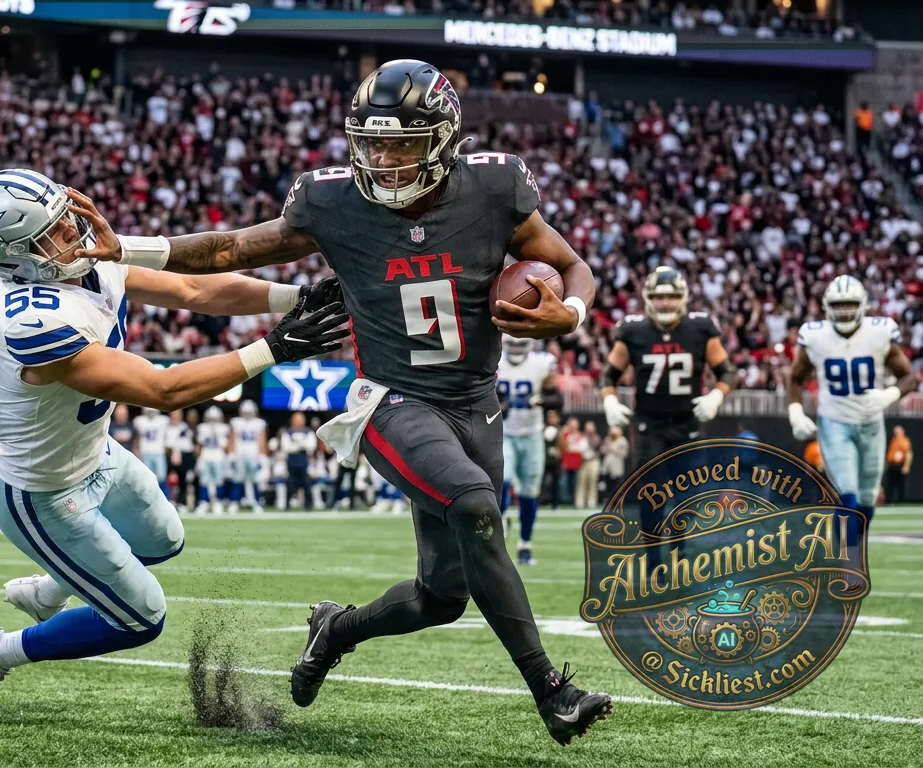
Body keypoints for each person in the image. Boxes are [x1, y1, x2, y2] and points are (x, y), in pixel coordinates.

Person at [74, 59, 610, 741]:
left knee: (442, 597)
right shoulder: (331, 201)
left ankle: (337, 628)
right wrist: (129, 248)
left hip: (477, 404)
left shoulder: (495, 187)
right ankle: (552, 692)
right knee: (476, 507)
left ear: (443, 139)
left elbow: (573, 265)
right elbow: (229, 248)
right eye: (373, 141)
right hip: (391, 399)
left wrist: (573, 311)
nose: (383, 159)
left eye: (403, 143)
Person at [0, 167, 345, 719]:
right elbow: (162, 390)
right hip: (42, 492)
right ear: (15, 257)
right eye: (55, 233)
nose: (74, 236)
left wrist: (296, 297)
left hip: (97, 453)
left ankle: (53, 586)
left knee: (163, 541)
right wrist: (271, 351)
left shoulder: (79, 268)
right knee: (141, 617)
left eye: (67, 220)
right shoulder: (30, 321)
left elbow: (192, 287)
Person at [601, 265, 734, 570]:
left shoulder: (700, 328)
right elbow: (609, 374)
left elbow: (726, 371)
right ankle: (653, 562)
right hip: (649, 424)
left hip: (686, 424)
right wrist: (609, 400)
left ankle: (678, 553)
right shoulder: (634, 330)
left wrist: (717, 395)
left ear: (683, 298)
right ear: (648, 298)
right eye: (660, 297)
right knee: (652, 495)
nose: (665, 303)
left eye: (672, 297)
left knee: (686, 493)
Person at [788, 276, 917, 543]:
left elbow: (909, 377)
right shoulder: (815, 336)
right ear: (826, 307)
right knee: (847, 492)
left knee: (868, 497)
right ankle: (846, 557)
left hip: (871, 421)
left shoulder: (880, 332)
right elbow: (795, 377)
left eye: (850, 304)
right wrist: (795, 412)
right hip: (834, 421)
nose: (845, 310)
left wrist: (889, 395)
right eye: (839, 305)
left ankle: (854, 544)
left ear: (863, 305)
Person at [497, 335, 560, 564]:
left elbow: (557, 398)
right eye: (511, 344)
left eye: (519, 344)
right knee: (501, 480)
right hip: (503, 432)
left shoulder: (542, 363)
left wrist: (540, 401)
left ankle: (525, 545)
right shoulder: (495, 360)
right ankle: (501, 519)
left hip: (532, 432)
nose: (514, 349)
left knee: (529, 491)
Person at [228, 400, 267, 513]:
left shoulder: (259, 423)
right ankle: (234, 502)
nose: (247, 414)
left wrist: (262, 456)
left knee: (255, 480)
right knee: (237, 480)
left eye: (249, 412)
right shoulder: (236, 422)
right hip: (240, 455)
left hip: (253, 455)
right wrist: (231, 455)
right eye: (246, 412)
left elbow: (261, 440)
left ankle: (256, 502)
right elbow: (232, 438)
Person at [195, 406, 230, 514]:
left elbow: (224, 445)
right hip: (206, 455)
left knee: (219, 481)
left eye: (214, 419)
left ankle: (218, 502)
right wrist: (198, 458)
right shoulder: (202, 427)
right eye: (210, 418)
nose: (212, 421)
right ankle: (203, 502)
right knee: (204, 481)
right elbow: (200, 444)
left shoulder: (224, 428)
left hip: (218, 456)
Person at [279, 412, 317, 510]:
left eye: (300, 420)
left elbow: (311, 446)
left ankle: (308, 506)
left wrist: (296, 445)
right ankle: (287, 506)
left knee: (307, 485)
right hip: (292, 463)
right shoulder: (287, 432)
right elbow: (286, 447)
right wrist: (301, 446)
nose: (299, 422)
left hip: (303, 463)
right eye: (296, 420)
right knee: (290, 485)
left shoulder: (308, 432)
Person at [133, 407, 169, 494]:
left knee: (161, 476)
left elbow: (167, 436)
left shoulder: (164, 420)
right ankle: (148, 498)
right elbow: (137, 437)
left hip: (159, 452)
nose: (151, 413)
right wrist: (137, 449)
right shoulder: (139, 420)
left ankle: (164, 497)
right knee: (147, 477)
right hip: (145, 452)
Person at [165, 410, 196, 512]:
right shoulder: (166, 427)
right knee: (170, 481)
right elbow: (165, 444)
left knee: (183, 481)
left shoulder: (185, 427)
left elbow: (190, 445)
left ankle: (182, 502)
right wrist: (173, 452)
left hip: (184, 457)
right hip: (170, 457)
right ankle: (170, 501)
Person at [600, 426, 630, 500]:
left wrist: (612, 448)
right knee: (607, 484)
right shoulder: (607, 439)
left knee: (617, 484)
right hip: (607, 466)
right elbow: (602, 451)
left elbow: (624, 454)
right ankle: (607, 499)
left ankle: (617, 500)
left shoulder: (623, 441)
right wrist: (607, 445)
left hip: (617, 466)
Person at [577, 421, 601, 510]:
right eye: (588, 427)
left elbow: (597, 445)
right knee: (582, 481)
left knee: (592, 481)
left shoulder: (596, 437)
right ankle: (580, 502)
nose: (589, 429)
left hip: (593, 460)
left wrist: (588, 439)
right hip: (583, 461)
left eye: (591, 427)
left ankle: (591, 502)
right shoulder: (581, 437)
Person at [886, 425, 912, 505]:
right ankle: (890, 501)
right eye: (895, 432)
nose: (896, 433)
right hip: (892, 465)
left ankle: (901, 500)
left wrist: (906, 466)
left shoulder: (905, 441)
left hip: (900, 465)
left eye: (898, 432)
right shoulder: (892, 440)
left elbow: (908, 454)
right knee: (890, 484)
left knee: (901, 484)